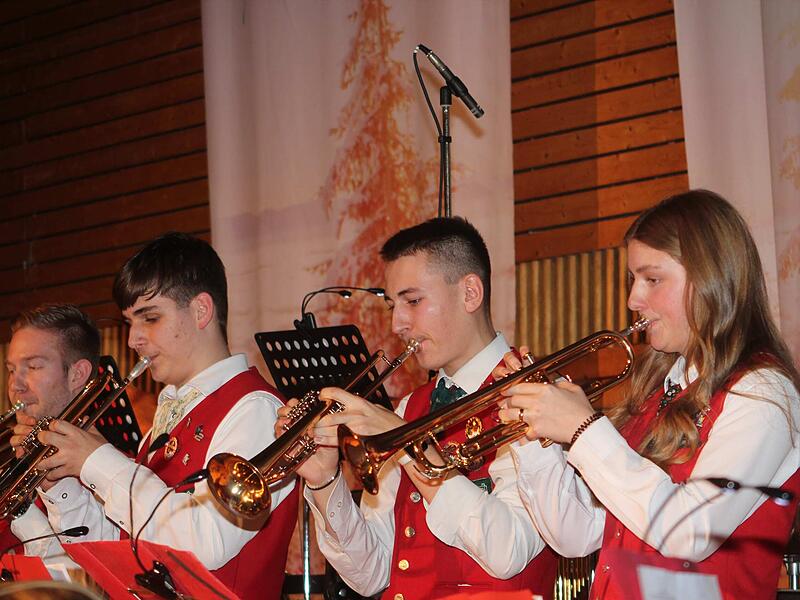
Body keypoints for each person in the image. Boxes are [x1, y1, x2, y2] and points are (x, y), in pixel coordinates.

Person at [500, 190, 800, 599]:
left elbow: (691, 532)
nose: (633, 300)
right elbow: (577, 535)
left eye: (652, 279)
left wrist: (584, 430)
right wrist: (532, 431)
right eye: (633, 280)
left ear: (710, 278)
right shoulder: (660, 392)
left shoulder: (762, 391)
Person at [280, 217, 559, 599]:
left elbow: (508, 551)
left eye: (413, 301)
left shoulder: (539, 396)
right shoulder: (410, 406)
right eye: (392, 305)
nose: (397, 324)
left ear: (470, 293)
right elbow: (373, 574)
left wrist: (409, 445)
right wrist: (324, 480)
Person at [29, 233, 297, 599]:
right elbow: (123, 550)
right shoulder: (170, 413)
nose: (133, 340)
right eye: (130, 322)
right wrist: (61, 485)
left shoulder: (256, 409)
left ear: (201, 311)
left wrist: (97, 460)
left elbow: (207, 543)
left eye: (150, 318)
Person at [3, 305, 106, 569]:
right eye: (11, 369)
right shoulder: (9, 456)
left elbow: (86, 576)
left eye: (33, 366)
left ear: (77, 375)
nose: (15, 385)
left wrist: (22, 507)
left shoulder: (107, 478)